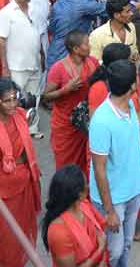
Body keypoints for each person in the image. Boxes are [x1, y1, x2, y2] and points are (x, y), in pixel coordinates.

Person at [0, 78, 42, 267]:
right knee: (7, 230)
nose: (13, 104)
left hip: (23, 178)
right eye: (7, 100)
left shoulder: (21, 115)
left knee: (22, 225)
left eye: (15, 98)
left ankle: (4, 250)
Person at [88, 59, 140, 267]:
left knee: (127, 244)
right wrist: (109, 210)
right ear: (132, 85)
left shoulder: (130, 103)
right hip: (113, 199)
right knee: (113, 251)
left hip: (134, 190)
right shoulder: (102, 121)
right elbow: (99, 169)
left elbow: (132, 142)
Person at [45, 31, 99, 173]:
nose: (90, 46)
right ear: (76, 49)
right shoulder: (58, 68)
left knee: (86, 161)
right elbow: (46, 96)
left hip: (86, 122)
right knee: (66, 165)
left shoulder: (92, 62)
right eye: (86, 44)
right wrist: (66, 89)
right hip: (66, 125)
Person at [43, 164, 108, 267]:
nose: (89, 186)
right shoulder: (58, 232)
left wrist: (103, 260)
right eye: (86, 183)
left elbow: (100, 233)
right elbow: (102, 241)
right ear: (80, 194)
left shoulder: (84, 205)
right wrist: (100, 250)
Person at [47, 0, 108, 66]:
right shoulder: (83, 3)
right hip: (69, 54)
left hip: (54, 50)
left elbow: (52, 26)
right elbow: (110, 8)